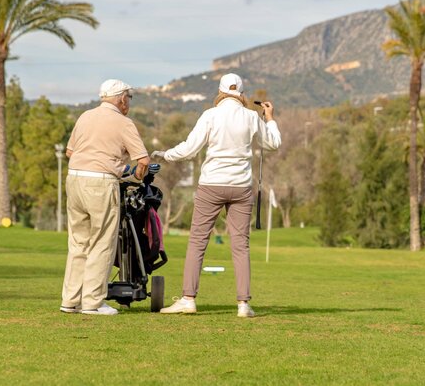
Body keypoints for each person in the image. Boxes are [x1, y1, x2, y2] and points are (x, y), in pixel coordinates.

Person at [154, 73, 281, 318]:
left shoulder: (210, 115)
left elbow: (189, 149)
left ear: (221, 91)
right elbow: (273, 143)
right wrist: (270, 118)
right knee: (241, 246)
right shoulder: (251, 116)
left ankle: (188, 299)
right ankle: (244, 305)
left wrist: (164, 154)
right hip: (241, 187)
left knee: (198, 242)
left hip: (211, 184)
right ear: (242, 94)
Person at [60, 79, 149, 316]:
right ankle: (92, 303)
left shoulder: (85, 116)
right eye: (128, 98)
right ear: (121, 99)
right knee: (102, 242)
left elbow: (70, 151)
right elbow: (143, 161)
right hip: (100, 183)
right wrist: (137, 178)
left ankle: (70, 300)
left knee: (78, 242)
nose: (128, 102)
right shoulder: (124, 122)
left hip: (75, 179)